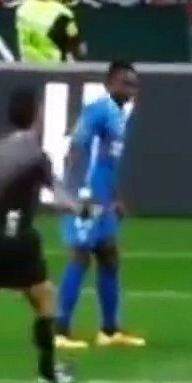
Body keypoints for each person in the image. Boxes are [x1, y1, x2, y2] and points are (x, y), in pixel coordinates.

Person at [0, 88, 78, 383]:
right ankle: (48, 372)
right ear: (36, 113)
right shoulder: (37, 156)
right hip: (18, 239)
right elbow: (60, 198)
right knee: (44, 298)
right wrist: (83, 209)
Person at [55, 61, 146, 350]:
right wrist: (77, 192)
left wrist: (114, 196)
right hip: (86, 195)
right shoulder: (98, 110)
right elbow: (76, 149)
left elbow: (108, 161)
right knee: (80, 256)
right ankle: (59, 329)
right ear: (110, 84)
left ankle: (108, 330)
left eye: (134, 84)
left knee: (109, 256)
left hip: (103, 198)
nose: (131, 89)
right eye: (125, 83)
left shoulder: (119, 116)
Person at [15, 0, 82, 64]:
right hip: (54, 71)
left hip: (28, 69)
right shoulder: (63, 14)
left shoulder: (22, 8)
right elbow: (77, 50)